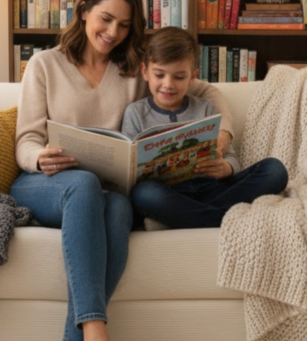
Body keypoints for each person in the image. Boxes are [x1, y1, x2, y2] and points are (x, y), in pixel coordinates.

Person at [12, 0, 236, 341]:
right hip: (46, 185)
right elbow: (24, 141)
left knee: (116, 207)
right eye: (105, 19)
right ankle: (95, 339)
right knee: (83, 183)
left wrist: (224, 133)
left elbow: (205, 90)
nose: (112, 33)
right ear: (83, 11)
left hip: (102, 192)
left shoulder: (133, 66)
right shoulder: (44, 64)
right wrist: (40, 158)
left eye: (123, 25)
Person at [123, 27, 288, 230]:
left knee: (275, 169)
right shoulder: (135, 113)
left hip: (213, 188)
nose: (168, 84)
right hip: (169, 193)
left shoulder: (206, 107)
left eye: (179, 77)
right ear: (145, 72)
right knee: (144, 194)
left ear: (193, 77)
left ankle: (194, 218)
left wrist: (226, 168)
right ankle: (221, 219)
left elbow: (231, 157)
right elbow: (128, 170)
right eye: (160, 75)